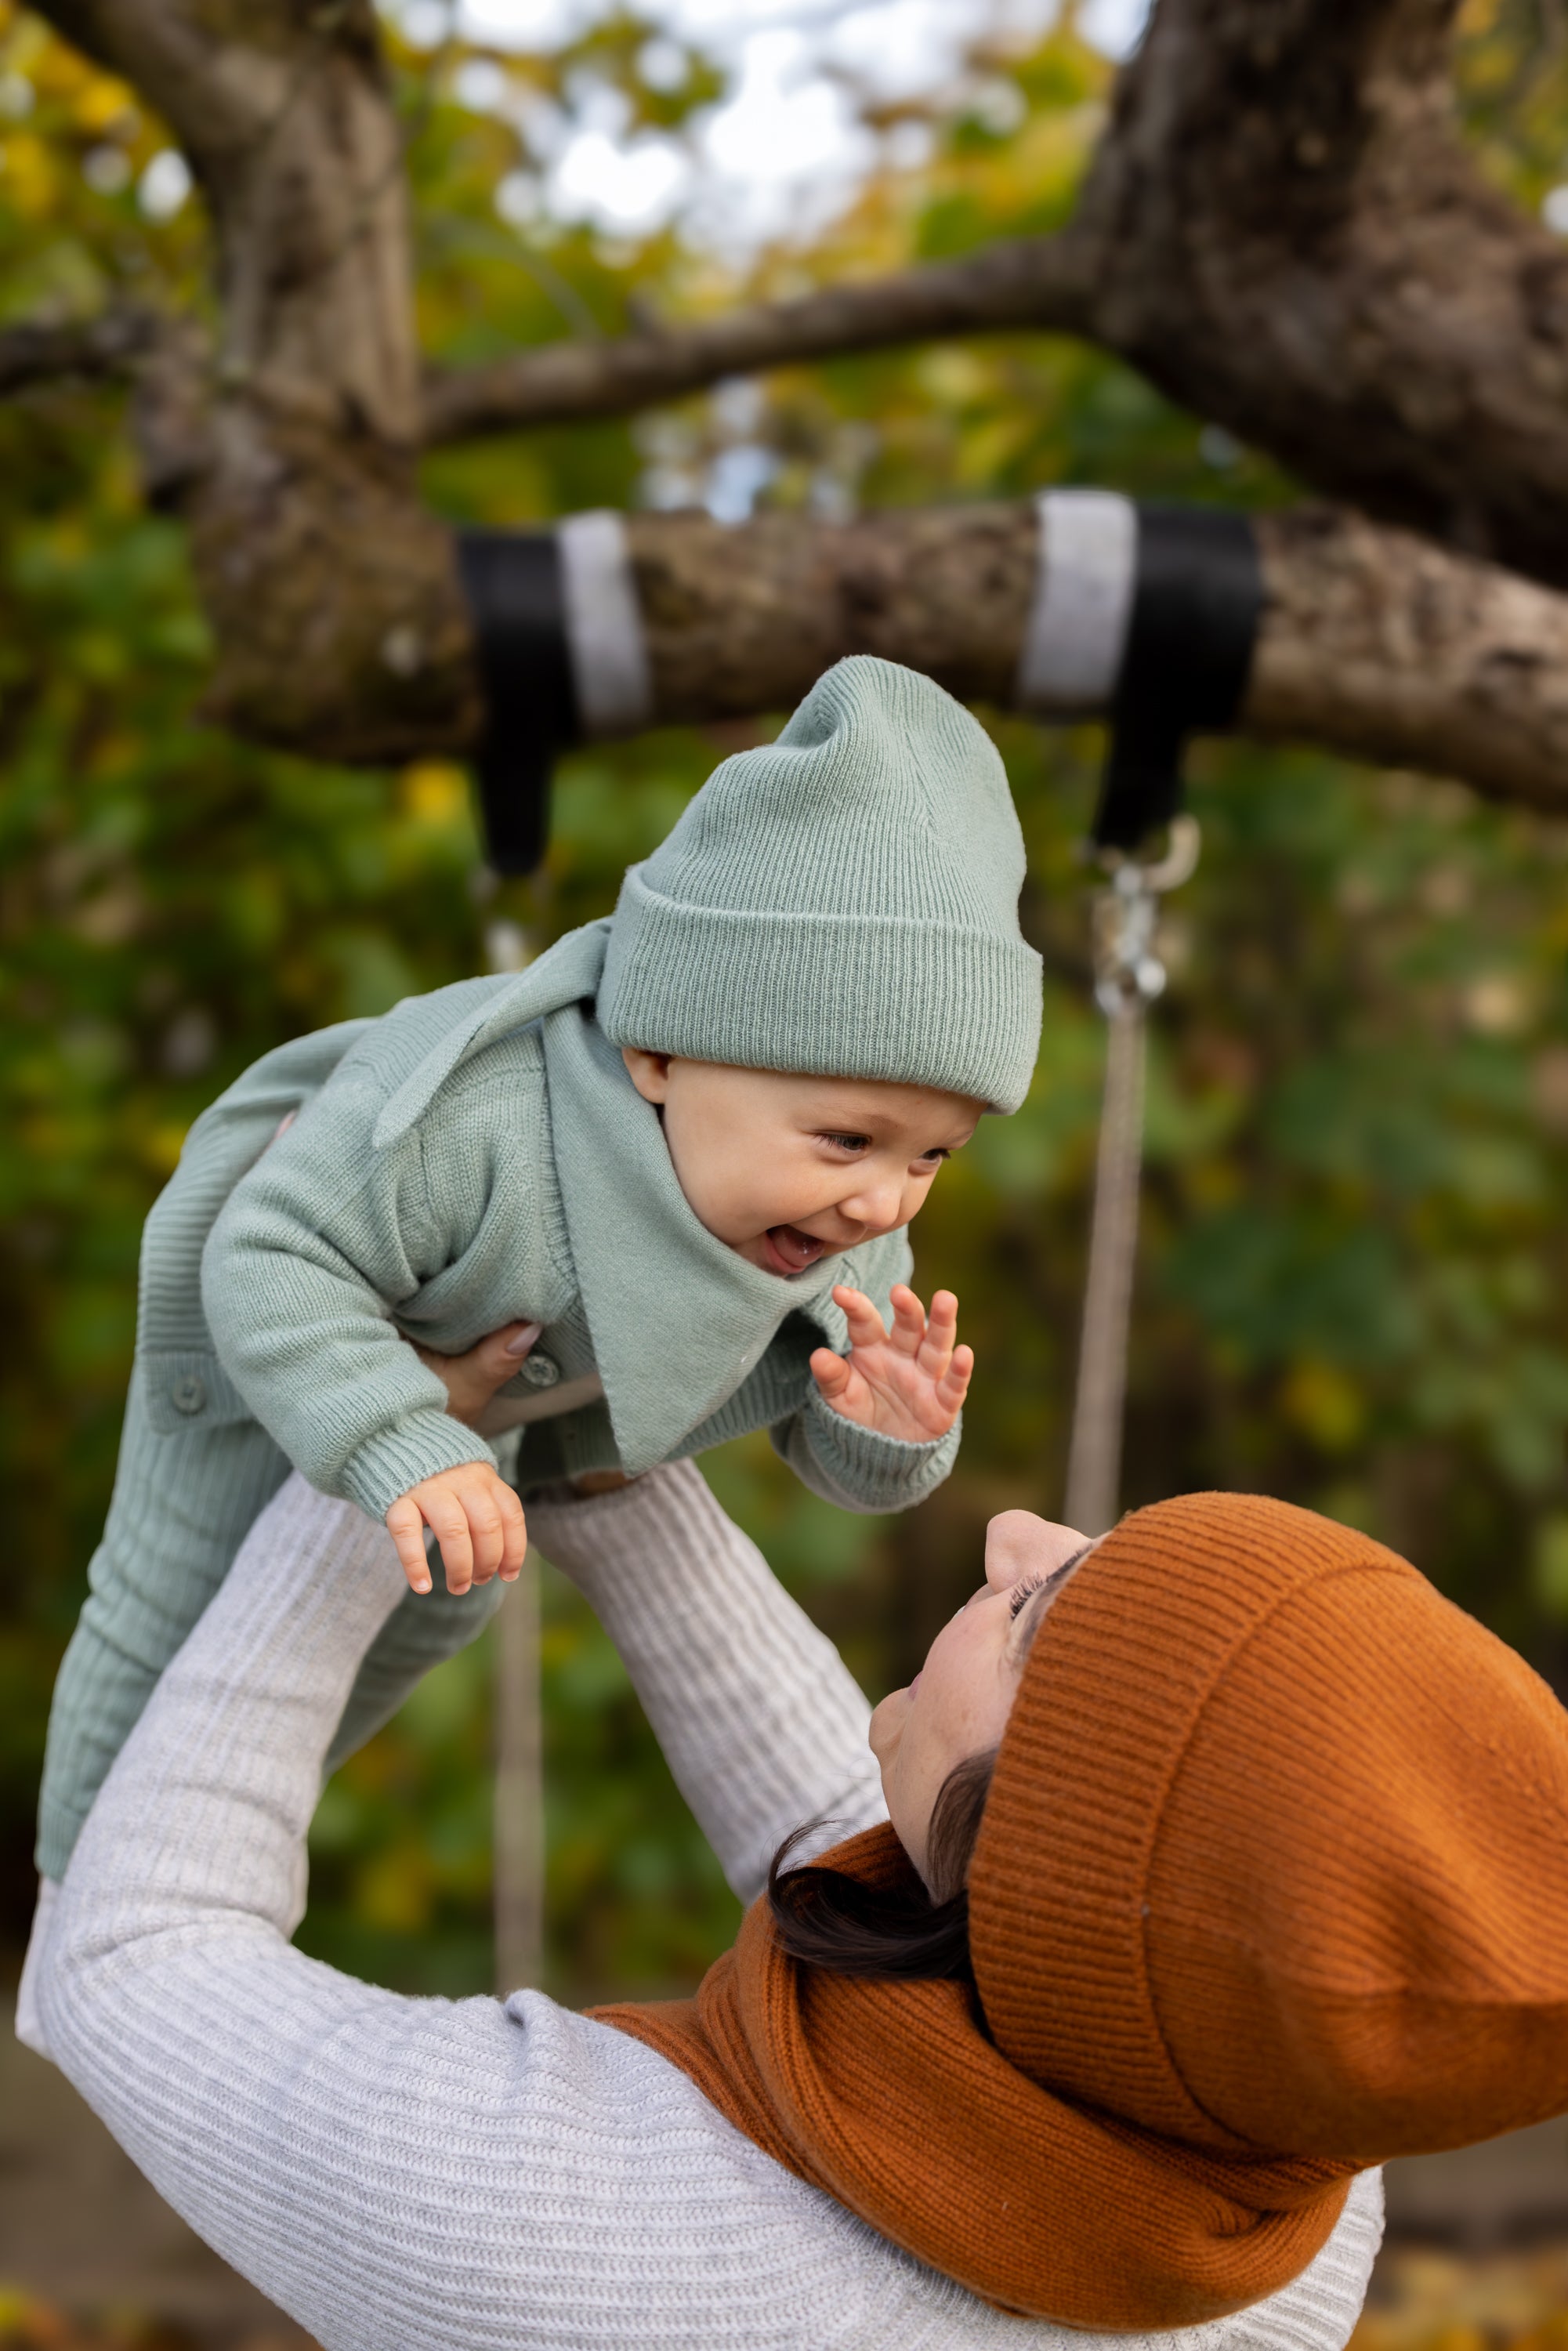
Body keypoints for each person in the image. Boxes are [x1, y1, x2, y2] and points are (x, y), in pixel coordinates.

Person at [27, 1319, 1394, 2349]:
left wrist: (383, 1457)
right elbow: (891, 1858)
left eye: (1046, 1613)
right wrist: (596, 1456)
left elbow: (136, 1954)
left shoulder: (563, 2221)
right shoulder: (1297, 2199)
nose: (1013, 1532)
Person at [33, 654, 1044, 1916]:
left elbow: (810, 1427)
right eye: (847, 1140)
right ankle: (87, 1903)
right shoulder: (477, 1137)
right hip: (285, 1354)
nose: (882, 1202)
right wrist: (404, 1433)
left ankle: (175, 1862)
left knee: (383, 1648)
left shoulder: (837, 1235)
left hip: (500, 1450)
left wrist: (876, 1432)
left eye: (931, 1156)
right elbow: (272, 1256)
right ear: (661, 1050)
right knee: (166, 1609)